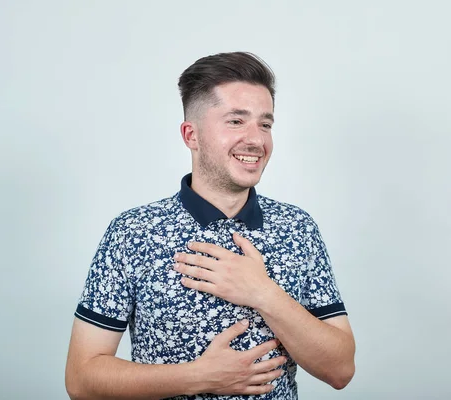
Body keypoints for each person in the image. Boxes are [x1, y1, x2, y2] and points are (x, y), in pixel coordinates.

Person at [65, 52, 355, 400]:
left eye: (265, 124)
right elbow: (82, 379)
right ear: (191, 135)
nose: (256, 140)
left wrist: (263, 293)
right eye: (236, 121)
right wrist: (197, 377)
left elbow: (340, 369)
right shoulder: (133, 233)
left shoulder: (297, 228)